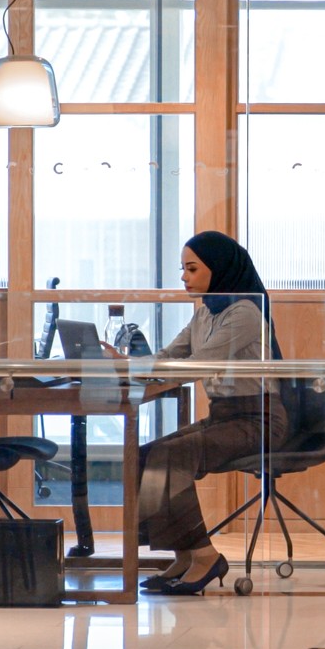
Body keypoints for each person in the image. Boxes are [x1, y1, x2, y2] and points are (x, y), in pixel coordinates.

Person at [134, 231, 288, 596]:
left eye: (191, 268)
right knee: (142, 456)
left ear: (217, 269)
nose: (184, 277)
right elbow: (171, 355)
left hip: (259, 419)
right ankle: (186, 554)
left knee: (170, 455)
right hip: (225, 416)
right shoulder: (206, 311)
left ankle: (205, 556)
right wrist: (124, 363)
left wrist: (144, 367)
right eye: (182, 269)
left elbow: (194, 366)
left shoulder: (245, 313)